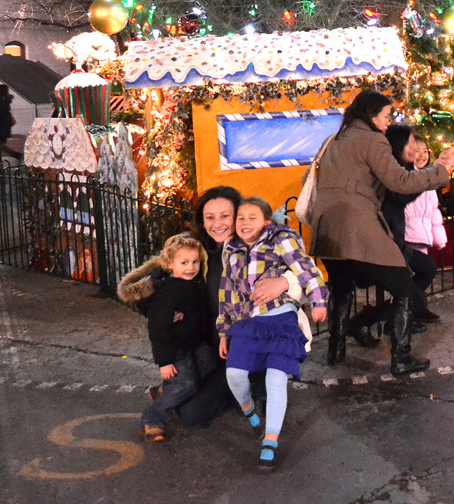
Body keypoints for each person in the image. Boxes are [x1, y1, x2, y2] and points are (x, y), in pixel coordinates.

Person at [308, 89, 454, 375]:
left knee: (341, 288)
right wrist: (441, 169)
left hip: (327, 230)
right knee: (404, 287)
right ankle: (401, 357)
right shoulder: (373, 140)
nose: (389, 122)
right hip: (359, 229)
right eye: (386, 115)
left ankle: (336, 349)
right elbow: (400, 182)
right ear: (371, 114)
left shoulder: (335, 140)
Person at [169, 186, 304, 427]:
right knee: (190, 412)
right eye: (209, 217)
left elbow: (306, 274)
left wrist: (284, 282)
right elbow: (159, 282)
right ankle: (237, 391)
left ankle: (256, 388)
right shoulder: (198, 251)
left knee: (193, 412)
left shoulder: (262, 246)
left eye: (225, 216)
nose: (217, 224)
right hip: (214, 347)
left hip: (256, 343)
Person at [218, 197, 327, 470]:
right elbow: (226, 293)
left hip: (280, 320)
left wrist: (318, 300)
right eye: (240, 217)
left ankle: (270, 439)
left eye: (252, 217)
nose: (245, 223)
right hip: (248, 323)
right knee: (234, 374)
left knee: (276, 379)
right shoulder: (232, 250)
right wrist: (223, 329)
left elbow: (305, 268)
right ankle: (248, 408)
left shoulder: (280, 239)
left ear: (266, 221)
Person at [121, 234, 215, 442]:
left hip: (194, 343)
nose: (191, 267)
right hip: (175, 347)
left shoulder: (195, 284)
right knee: (187, 384)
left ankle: (165, 390)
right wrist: (165, 362)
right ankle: (153, 418)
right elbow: (158, 329)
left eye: (195, 262)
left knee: (208, 361)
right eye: (184, 263)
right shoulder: (169, 291)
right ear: (170, 264)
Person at [383, 125, 441, 324]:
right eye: (412, 144)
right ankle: (375, 321)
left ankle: (407, 314)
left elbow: (433, 211)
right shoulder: (396, 172)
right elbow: (401, 198)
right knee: (406, 287)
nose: (417, 151)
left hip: (407, 238)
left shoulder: (415, 174)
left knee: (422, 273)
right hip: (396, 240)